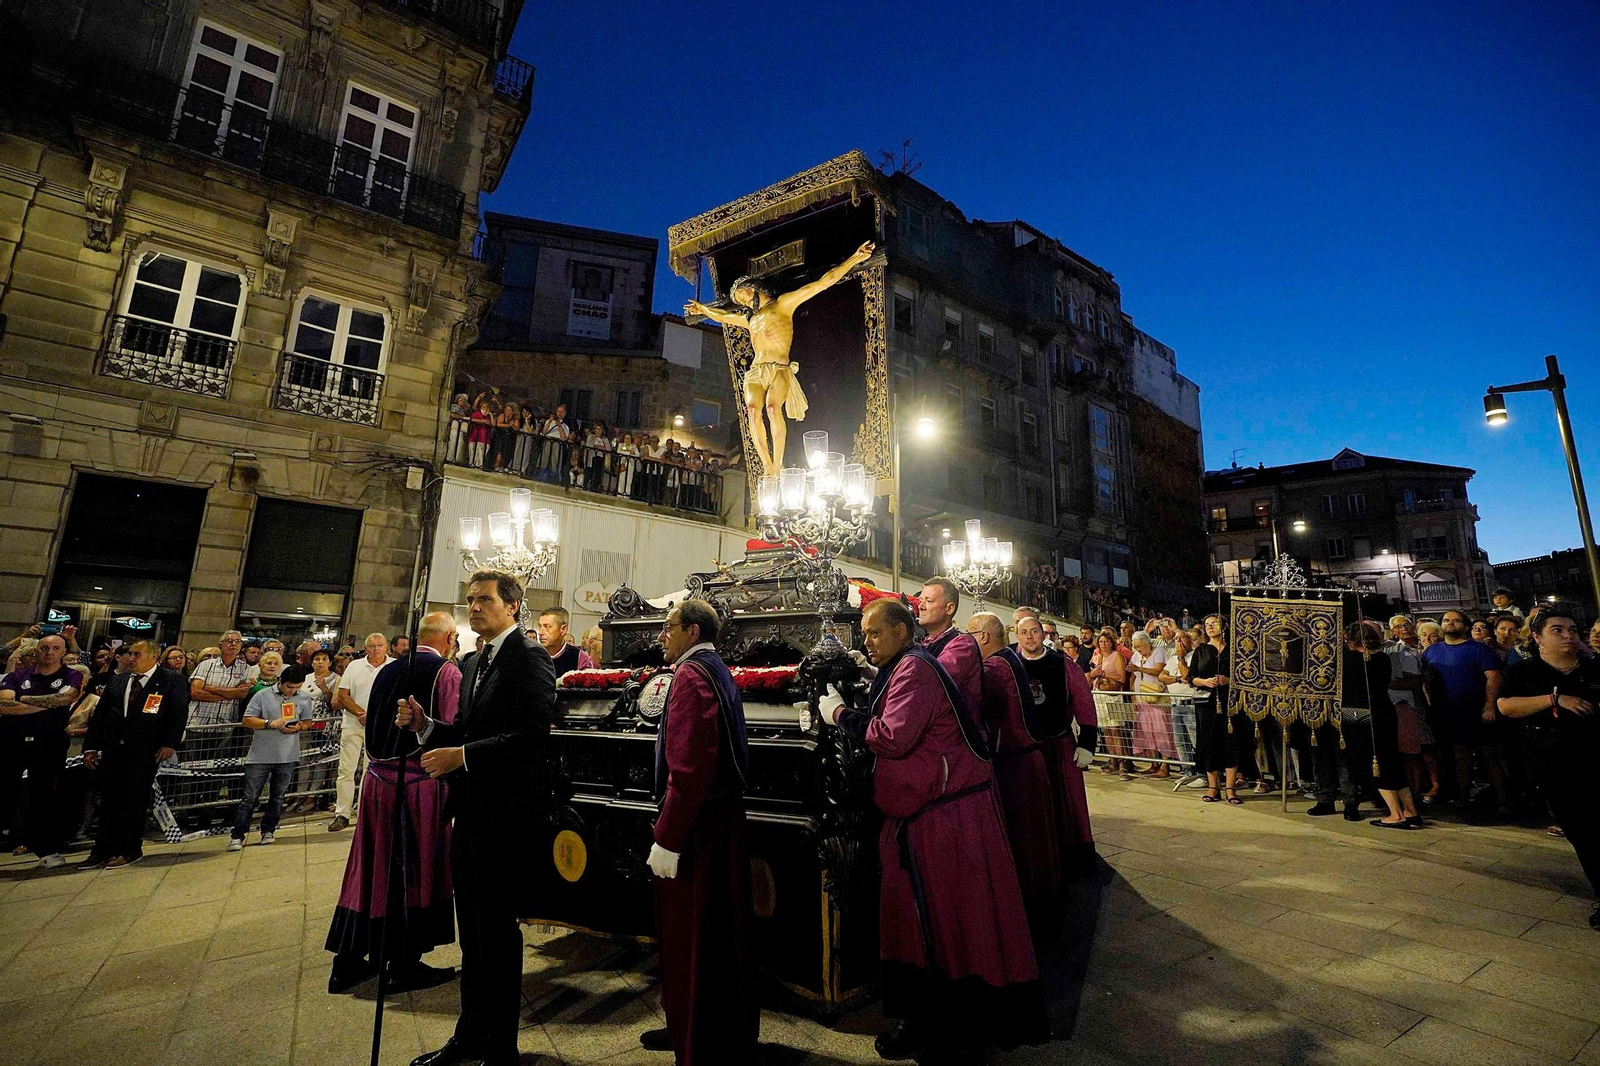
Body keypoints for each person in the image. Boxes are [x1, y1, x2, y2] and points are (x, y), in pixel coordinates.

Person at [820, 598, 1048, 1058]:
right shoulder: (910, 664)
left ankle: (939, 1025)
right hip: (925, 814)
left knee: (938, 928)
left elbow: (893, 735)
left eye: (875, 632)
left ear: (904, 632)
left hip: (940, 816)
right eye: (863, 633)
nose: (867, 640)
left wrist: (839, 714)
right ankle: (931, 1018)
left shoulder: (919, 666)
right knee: (929, 925)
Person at [398, 569, 556, 1066]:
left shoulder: (528, 657)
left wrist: (462, 756)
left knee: (498, 936)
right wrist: (428, 728)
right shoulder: (472, 661)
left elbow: (531, 737)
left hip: (506, 818)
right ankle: (468, 1036)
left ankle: (500, 1049)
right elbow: (465, 726)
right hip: (469, 814)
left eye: (484, 599)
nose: (474, 607)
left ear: (513, 606)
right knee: (473, 935)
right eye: (469, 600)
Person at [638, 601, 759, 1063]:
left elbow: (688, 768)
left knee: (693, 937)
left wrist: (667, 838)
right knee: (715, 935)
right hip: (718, 818)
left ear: (691, 630)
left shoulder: (690, 675)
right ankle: (699, 1027)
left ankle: (698, 1038)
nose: (660, 637)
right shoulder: (713, 667)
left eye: (667, 628)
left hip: (699, 828)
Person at [327, 612, 462, 995]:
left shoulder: (386, 670)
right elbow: (450, 733)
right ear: (450, 637)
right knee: (414, 871)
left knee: (370, 870)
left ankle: (348, 963)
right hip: (417, 786)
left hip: (376, 783)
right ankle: (403, 964)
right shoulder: (446, 674)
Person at [1497, 609, 1600, 928]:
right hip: (1555, 764)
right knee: (1583, 833)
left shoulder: (1595, 669)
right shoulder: (1524, 673)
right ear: (1538, 637)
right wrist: (1554, 699)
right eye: (1558, 630)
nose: (1569, 634)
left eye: (1573, 629)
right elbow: (1506, 706)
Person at [967, 612, 1062, 914]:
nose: (967, 642)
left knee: (1026, 839)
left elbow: (966, 699)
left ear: (983, 636)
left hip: (1017, 765)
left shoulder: (994, 668)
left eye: (970, 634)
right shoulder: (1009, 659)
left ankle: (1032, 905)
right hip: (1027, 759)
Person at [80, 640, 188, 868]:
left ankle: (129, 849)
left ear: (154, 656)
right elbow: (101, 716)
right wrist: (90, 747)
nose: (131, 658)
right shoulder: (118, 680)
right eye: (129, 653)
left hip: (145, 750)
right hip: (114, 749)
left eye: (137, 654)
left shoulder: (171, 679)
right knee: (108, 800)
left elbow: (178, 714)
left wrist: (170, 743)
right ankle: (101, 850)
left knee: (133, 801)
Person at [1015, 615, 1099, 879]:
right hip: (1025, 750)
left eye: (1034, 631)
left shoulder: (1064, 666)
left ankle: (1073, 858)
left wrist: (1087, 743)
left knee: (1068, 804)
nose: (1029, 636)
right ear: (1017, 636)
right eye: (1024, 632)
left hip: (1059, 744)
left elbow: (1084, 703)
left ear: (1044, 635)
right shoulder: (1010, 665)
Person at [0, 634, 81, 867]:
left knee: (44, 796)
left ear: (63, 652)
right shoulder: (17, 675)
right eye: (44, 647)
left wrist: (24, 701)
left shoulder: (71, 675)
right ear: (36, 650)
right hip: (11, 741)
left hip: (48, 742)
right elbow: (4, 705)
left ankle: (45, 849)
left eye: (56, 648)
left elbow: (64, 699)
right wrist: (44, 703)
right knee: (4, 791)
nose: (49, 652)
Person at [1422, 609, 1507, 813]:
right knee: (1460, 756)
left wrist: (1489, 706)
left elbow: (1493, 678)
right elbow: (1425, 679)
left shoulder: (1479, 650)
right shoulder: (1431, 651)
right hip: (1449, 713)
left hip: (1478, 711)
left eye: (1456, 620)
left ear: (1466, 626)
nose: (1450, 623)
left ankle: (1505, 801)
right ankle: (1462, 798)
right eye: (1446, 620)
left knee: (1489, 756)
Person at [228, 664, 315, 851]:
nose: (293, 691)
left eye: (297, 687)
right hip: (260, 755)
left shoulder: (304, 698)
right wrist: (269, 723)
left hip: (288, 755)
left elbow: (308, 721)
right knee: (250, 797)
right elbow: (247, 719)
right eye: (289, 687)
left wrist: (300, 727)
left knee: (278, 797)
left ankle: (269, 830)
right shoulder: (262, 695)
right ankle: (238, 835)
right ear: (280, 682)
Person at [331, 633, 392, 832]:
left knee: (371, 771)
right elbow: (343, 695)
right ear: (365, 649)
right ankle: (342, 813)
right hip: (353, 724)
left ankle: (366, 812)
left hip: (379, 727)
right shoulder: (355, 666)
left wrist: (375, 717)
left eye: (379, 645)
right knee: (346, 770)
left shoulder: (394, 666)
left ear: (386, 647)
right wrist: (360, 713)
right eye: (372, 646)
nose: (376, 649)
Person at [1191, 614, 1241, 805]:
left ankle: (1231, 787)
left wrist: (1229, 680)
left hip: (1230, 701)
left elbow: (1246, 675)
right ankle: (1213, 787)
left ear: (1225, 626)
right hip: (1207, 704)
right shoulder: (1201, 650)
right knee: (1209, 742)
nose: (1210, 627)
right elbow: (1191, 677)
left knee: (1231, 742)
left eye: (1214, 623)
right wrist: (1205, 681)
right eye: (1207, 625)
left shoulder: (1234, 650)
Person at [918, 577, 982, 717]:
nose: (921, 606)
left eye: (929, 601)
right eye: (920, 600)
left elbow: (932, 682)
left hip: (951, 734)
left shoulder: (962, 645)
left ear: (949, 608)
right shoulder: (925, 643)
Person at [1127, 631, 1173, 778]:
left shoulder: (1158, 652)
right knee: (1147, 731)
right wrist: (1133, 695)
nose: (1138, 649)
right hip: (1142, 698)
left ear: (1148, 643)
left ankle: (1165, 765)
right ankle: (1154, 763)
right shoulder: (1136, 655)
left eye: (1140, 646)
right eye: (1135, 646)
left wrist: (1139, 668)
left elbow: (1158, 671)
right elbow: (1132, 676)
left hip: (1157, 698)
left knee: (1162, 731)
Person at [1087, 633, 1133, 779]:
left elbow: (1121, 677)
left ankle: (1122, 764)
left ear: (1112, 642)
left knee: (1116, 730)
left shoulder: (1117, 656)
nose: (1103, 644)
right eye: (1101, 641)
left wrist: (1105, 674)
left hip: (1113, 696)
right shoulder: (1096, 657)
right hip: (1099, 695)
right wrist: (1094, 674)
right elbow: (1092, 675)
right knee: (1106, 730)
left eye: (1106, 641)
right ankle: (1112, 761)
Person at [189, 630, 252, 727]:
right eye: (230, 641)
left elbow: (241, 693)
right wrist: (231, 694)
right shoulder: (206, 664)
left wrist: (211, 688)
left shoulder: (245, 668)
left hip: (225, 723)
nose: (234, 644)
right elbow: (196, 693)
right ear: (220, 645)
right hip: (198, 721)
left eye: (238, 641)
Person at [535, 607, 594, 676]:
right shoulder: (533, 655)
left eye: (547, 627)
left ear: (563, 629)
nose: (540, 632)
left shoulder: (579, 657)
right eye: (540, 626)